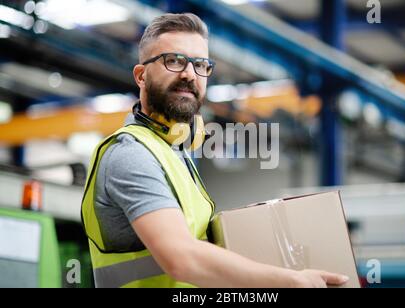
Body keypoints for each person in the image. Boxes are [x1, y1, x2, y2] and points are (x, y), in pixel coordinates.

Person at [81, 13, 349, 288]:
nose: (189, 74)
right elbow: (182, 259)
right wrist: (290, 281)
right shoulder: (130, 154)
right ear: (141, 75)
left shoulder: (176, 153)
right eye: (173, 61)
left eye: (201, 65)